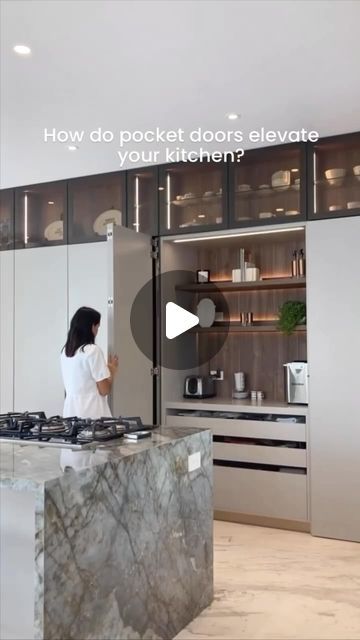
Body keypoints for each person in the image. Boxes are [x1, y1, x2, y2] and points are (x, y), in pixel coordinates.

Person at [60, 306, 118, 419]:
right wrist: (111, 371)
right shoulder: (92, 350)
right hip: (92, 416)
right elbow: (104, 390)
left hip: (70, 414)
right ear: (92, 326)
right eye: (98, 327)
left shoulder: (65, 351)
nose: (97, 331)